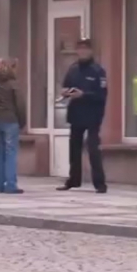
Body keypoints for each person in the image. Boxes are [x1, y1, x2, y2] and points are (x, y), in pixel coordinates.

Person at [56, 38, 108, 193]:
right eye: (80, 49)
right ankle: (73, 180)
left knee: (93, 149)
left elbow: (102, 95)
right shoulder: (73, 69)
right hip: (76, 114)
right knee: (74, 148)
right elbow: (66, 86)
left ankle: (100, 183)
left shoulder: (98, 71)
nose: (83, 52)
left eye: (86, 49)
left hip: (93, 115)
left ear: (91, 51)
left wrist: (84, 94)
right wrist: (65, 92)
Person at [0, 57, 26, 194]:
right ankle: (10, 185)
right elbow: (20, 105)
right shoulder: (13, 84)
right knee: (11, 153)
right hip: (10, 121)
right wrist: (22, 121)